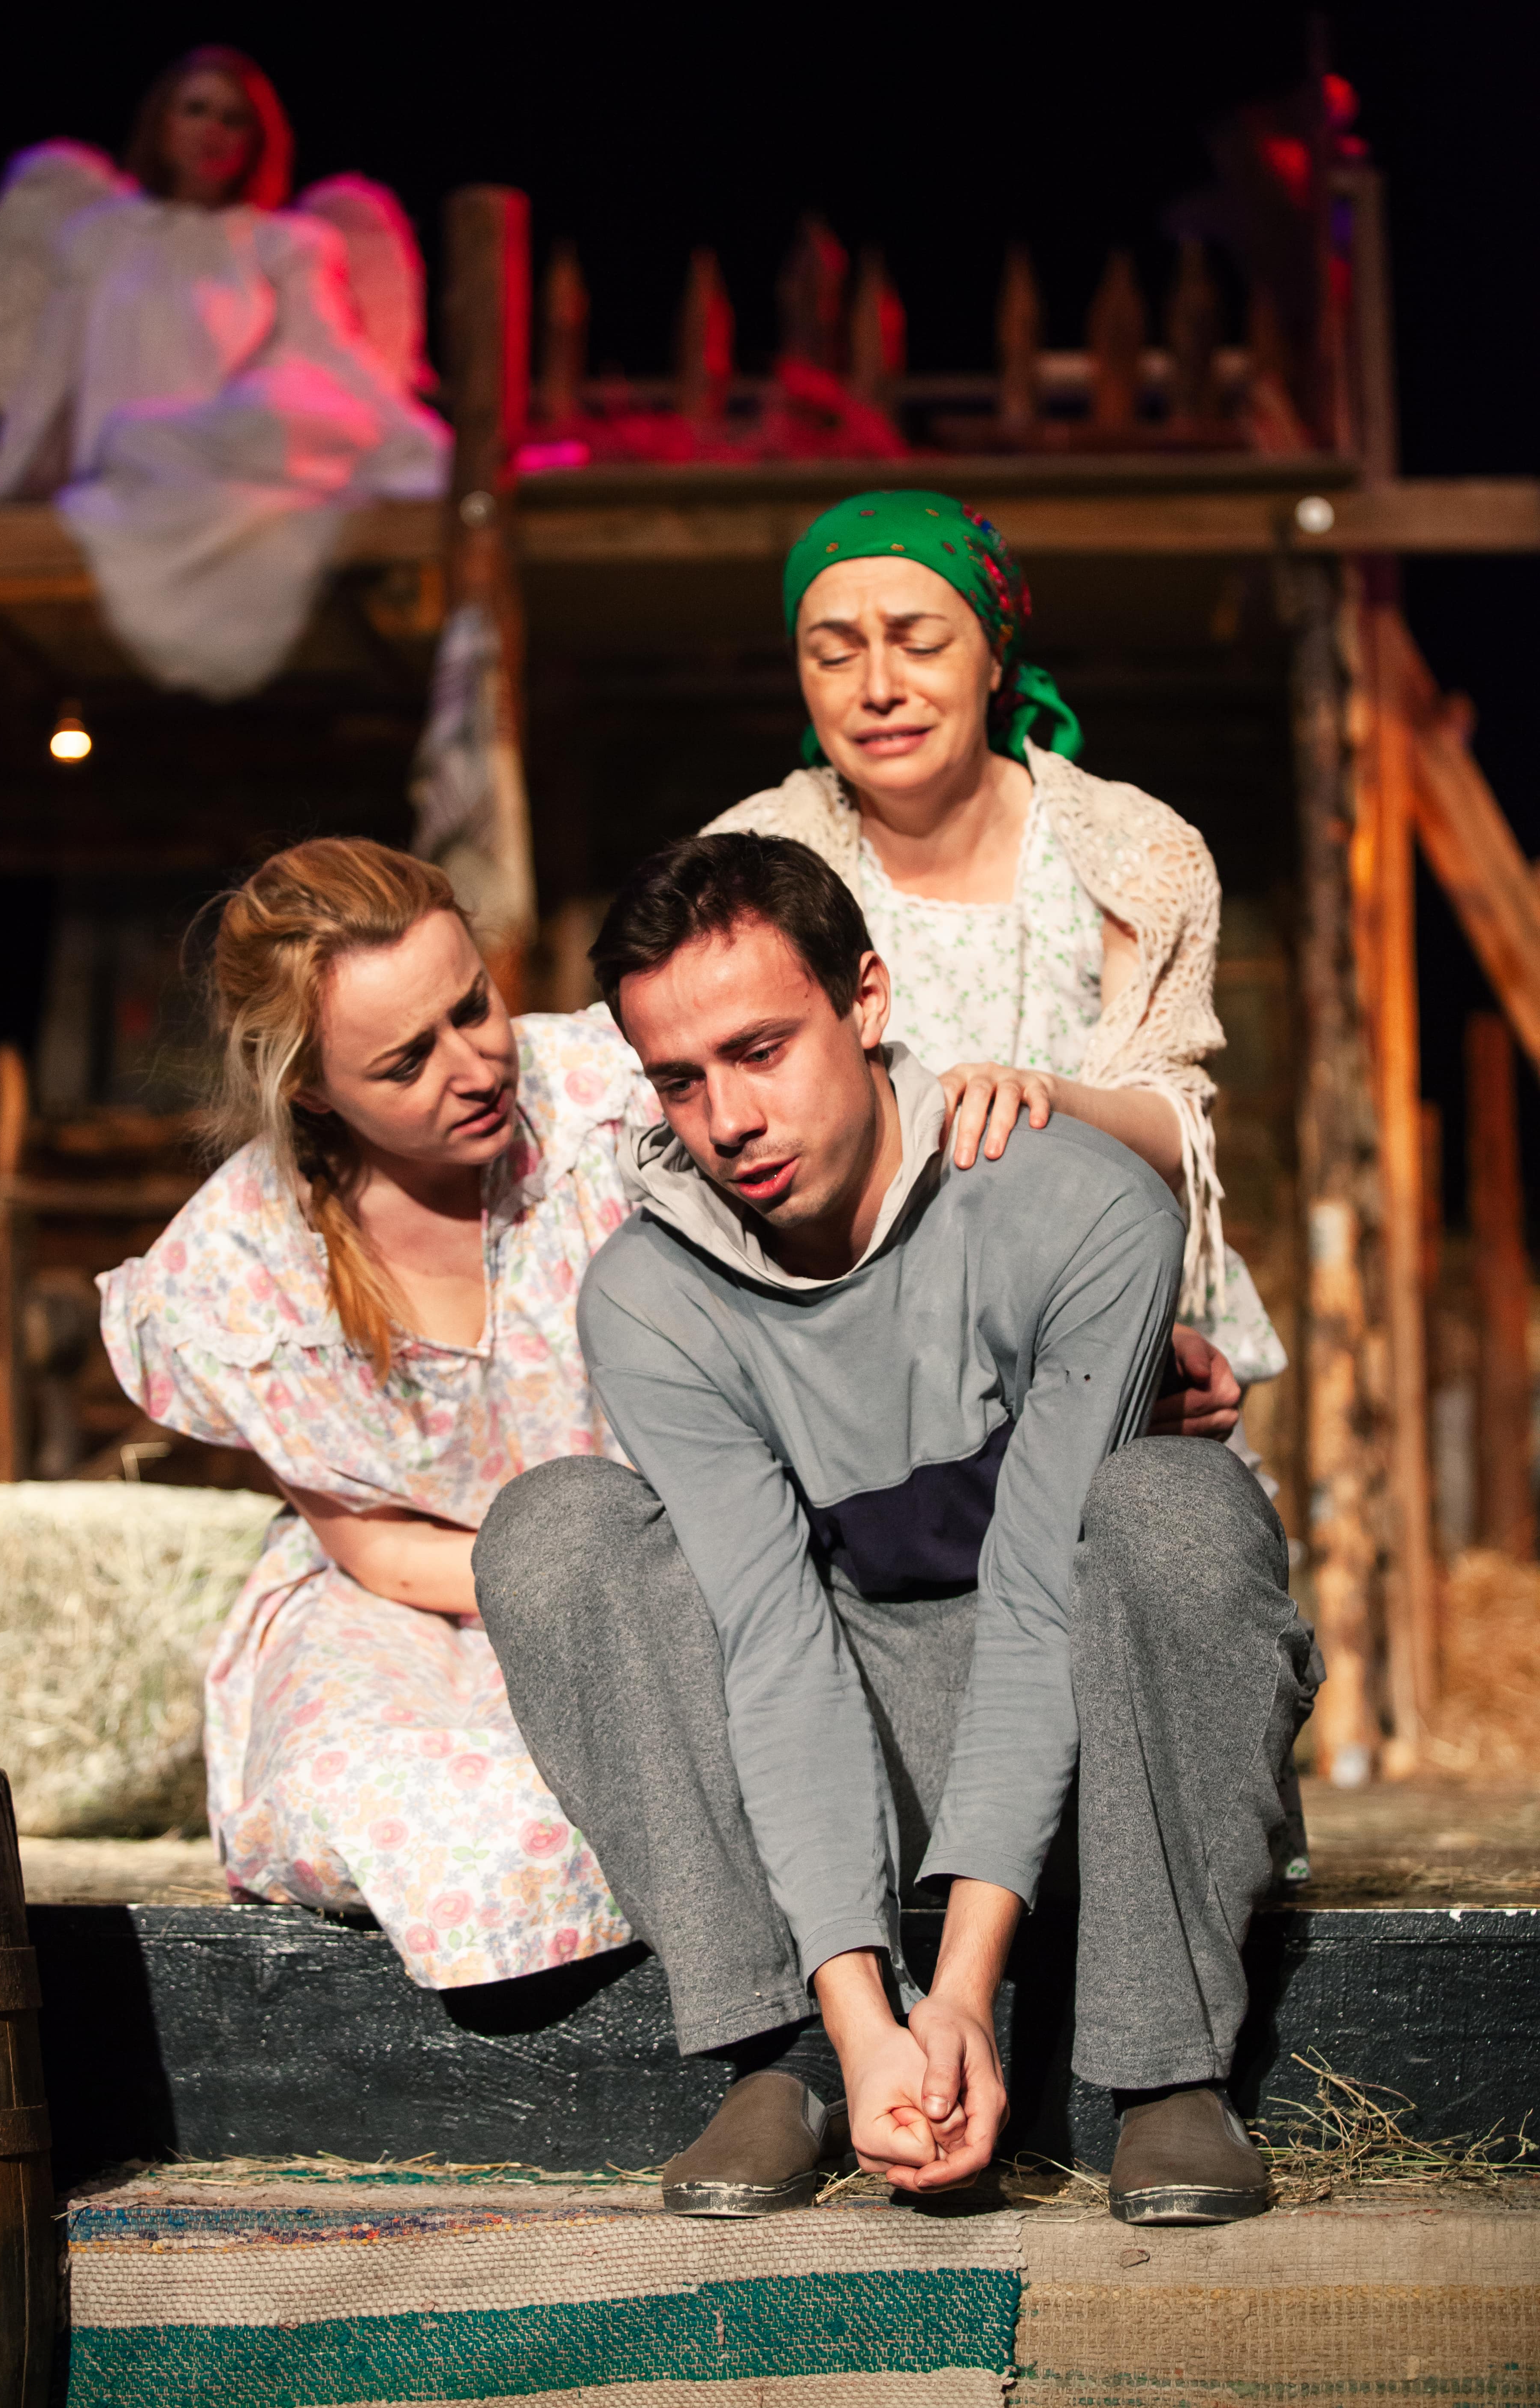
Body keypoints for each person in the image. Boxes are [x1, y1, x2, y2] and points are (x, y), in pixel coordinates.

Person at [474, 832, 1320, 2220]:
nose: (727, 1117)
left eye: (761, 1051)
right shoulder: (648, 1294)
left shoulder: (1083, 1208)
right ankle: (786, 2049)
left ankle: (1166, 2065)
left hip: (1088, 1731)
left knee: (1179, 1506)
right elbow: (772, 1641)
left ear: (865, 1000)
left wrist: (965, 1997)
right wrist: (869, 2020)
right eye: (680, 1079)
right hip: (846, 1734)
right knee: (553, 1531)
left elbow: (1041, 1601)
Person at [98, 835, 1022, 1989]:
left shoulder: (612, 1091)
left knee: (764, 1743)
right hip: (420, 1601)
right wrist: (563, 1589)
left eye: (471, 1007)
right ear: (312, 1091)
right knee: (425, 1804)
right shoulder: (240, 1262)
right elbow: (371, 1545)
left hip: (693, 1559)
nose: (473, 1066)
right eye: (406, 1062)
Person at [703, 488, 1287, 1449]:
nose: (877, 687)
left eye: (920, 644)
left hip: (1103, 1327)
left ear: (995, 655)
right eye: (834, 654)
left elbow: (1176, 1123)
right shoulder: (750, 863)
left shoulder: (1131, 856)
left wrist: (1045, 1101)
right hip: (854, 1366)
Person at [0, 48, 448, 698]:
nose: (212, 131)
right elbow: (50, 377)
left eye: (232, 118)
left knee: (276, 409)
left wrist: (426, 443)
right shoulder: (99, 238)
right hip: (137, 463)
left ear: (255, 141)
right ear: (164, 122)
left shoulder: (283, 244)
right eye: (196, 110)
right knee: (139, 438)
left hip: (230, 451)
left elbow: (335, 357)